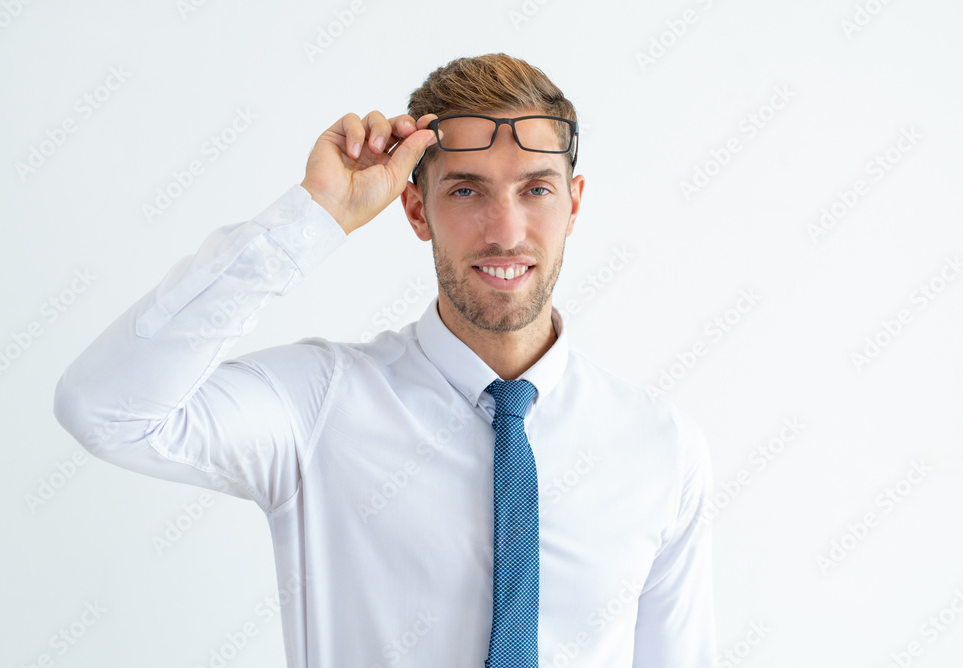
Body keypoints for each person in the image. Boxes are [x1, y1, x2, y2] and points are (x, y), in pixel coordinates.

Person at [55, 53, 716, 667]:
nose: (506, 230)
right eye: (465, 191)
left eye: (535, 189)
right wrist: (313, 220)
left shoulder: (660, 446)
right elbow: (106, 411)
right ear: (413, 207)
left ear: (573, 203)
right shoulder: (317, 406)